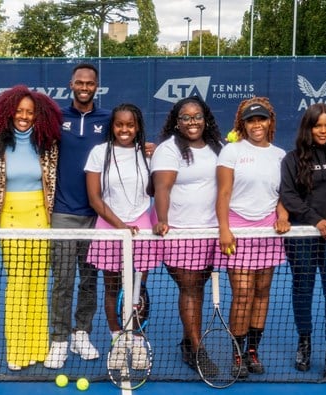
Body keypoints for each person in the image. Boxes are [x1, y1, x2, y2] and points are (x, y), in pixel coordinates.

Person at [279, 103, 326, 378]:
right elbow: (289, 196)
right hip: (302, 237)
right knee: (303, 290)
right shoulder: (292, 159)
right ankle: (305, 341)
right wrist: (316, 220)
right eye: (317, 125)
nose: (323, 130)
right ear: (308, 127)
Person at [0, 85, 61, 371]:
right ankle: (17, 350)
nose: (24, 116)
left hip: (41, 214)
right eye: (19, 111)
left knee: (39, 281)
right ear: (9, 111)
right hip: (10, 215)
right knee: (18, 282)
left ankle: (38, 347)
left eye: (30, 112)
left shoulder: (48, 142)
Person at [215, 97, 289, 378]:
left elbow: (282, 195)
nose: (256, 125)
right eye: (251, 120)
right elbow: (222, 193)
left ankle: (252, 352)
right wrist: (224, 228)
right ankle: (237, 353)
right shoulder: (231, 152)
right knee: (243, 294)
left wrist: (283, 215)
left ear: (270, 121)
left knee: (262, 292)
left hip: (269, 230)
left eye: (261, 119)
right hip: (237, 228)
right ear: (242, 124)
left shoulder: (280, 155)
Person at [46, 63, 112, 369]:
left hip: (96, 216)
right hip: (62, 213)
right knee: (62, 280)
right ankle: (59, 340)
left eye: (90, 83)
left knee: (89, 279)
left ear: (97, 86)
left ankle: (81, 333)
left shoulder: (108, 120)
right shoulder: (57, 118)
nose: (85, 87)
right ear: (71, 84)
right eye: (79, 82)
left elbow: (126, 146)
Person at [151, 96, 222, 375]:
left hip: (211, 232)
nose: (192, 122)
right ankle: (197, 349)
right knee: (190, 287)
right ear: (176, 122)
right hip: (181, 232)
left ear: (205, 119)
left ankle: (188, 342)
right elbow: (162, 189)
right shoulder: (168, 150)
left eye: (197, 116)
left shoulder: (218, 148)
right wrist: (164, 221)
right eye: (186, 117)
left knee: (198, 287)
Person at [85, 103, 159, 370]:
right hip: (109, 227)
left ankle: (137, 341)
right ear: (112, 126)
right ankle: (118, 341)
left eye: (130, 125)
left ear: (137, 126)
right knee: (112, 288)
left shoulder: (148, 155)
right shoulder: (99, 153)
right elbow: (94, 198)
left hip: (142, 226)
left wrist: (156, 156)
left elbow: (156, 191)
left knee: (137, 289)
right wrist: (120, 226)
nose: (124, 129)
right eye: (119, 124)